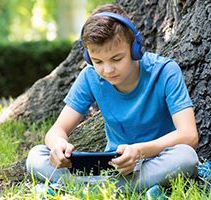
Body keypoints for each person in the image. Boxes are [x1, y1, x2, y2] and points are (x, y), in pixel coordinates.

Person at [26, 3, 199, 192]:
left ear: (135, 48)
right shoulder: (90, 76)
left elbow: (189, 135)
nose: (107, 70)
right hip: (114, 168)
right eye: (98, 61)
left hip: (155, 161)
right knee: (35, 156)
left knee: (186, 157)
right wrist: (58, 146)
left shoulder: (166, 71)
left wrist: (139, 151)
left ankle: (87, 188)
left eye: (116, 59)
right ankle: (120, 188)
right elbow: (57, 129)